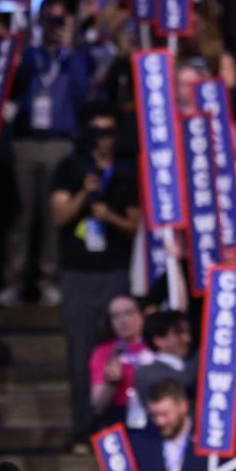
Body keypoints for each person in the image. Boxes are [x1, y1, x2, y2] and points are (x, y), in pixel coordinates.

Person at [53, 104, 141, 439]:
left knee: (118, 348)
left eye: (109, 133)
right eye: (97, 133)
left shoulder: (124, 173)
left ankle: (111, 427)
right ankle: (82, 428)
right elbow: (58, 217)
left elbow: (134, 225)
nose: (104, 140)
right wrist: (83, 195)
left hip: (113, 271)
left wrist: (109, 217)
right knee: (79, 351)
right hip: (77, 273)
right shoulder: (68, 168)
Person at [2, 0, 93, 306]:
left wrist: (73, 48)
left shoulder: (74, 59)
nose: (54, 28)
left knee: (53, 216)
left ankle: (49, 280)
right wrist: (27, 42)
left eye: (60, 21)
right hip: (26, 142)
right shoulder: (31, 55)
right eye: (49, 21)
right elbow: (14, 83)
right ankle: (14, 280)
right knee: (20, 214)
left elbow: (83, 95)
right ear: (40, 23)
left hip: (60, 143)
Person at [85, 293, 150, 441]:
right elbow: (98, 406)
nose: (122, 320)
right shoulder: (104, 352)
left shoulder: (156, 346)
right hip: (119, 419)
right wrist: (111, 383)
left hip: (156, 416)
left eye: (128, 312)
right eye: (115, 316)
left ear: (142, 314)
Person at [129, 309, 195, 426]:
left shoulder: (188, 364)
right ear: (159, 340)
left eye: (188, 332)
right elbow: (185, 382)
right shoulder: (147, 373)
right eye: (179, 333)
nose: (187, 339)